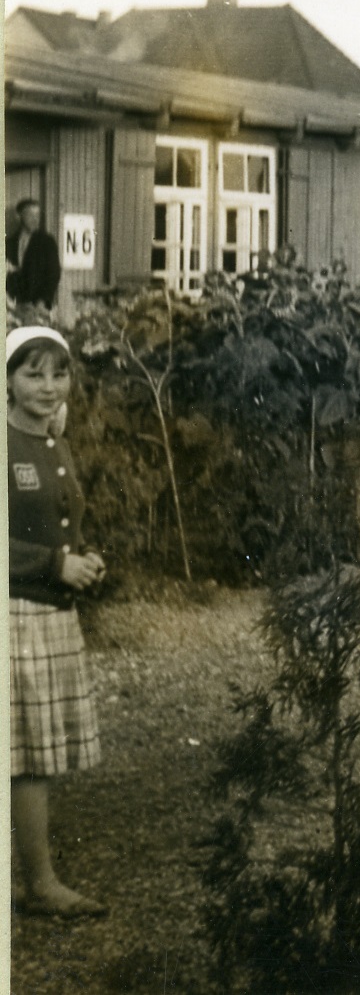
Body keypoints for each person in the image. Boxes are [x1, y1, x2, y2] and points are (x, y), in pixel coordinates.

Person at [9, 325, 109, 919]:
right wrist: (53, 565)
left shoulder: (54, 441)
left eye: (59, 373)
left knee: (31, 754)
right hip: (15, 613)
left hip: (51, 612)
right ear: (7, 382)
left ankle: (32, 878)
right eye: (33, 374)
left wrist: (84, 557)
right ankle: (40, 884)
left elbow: (64, 521)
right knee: (25, 757)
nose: (48, 387)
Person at [6, 199, 61, 312]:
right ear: (19, 216)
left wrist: (43, 300)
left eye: (37, 215)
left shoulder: (47, 242)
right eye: (31, 215)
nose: (35, 219)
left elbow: (53, 274)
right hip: (14, 306)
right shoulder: (9, 243)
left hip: (39, 306)